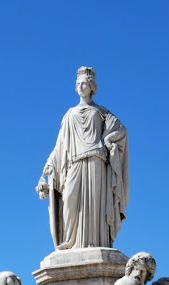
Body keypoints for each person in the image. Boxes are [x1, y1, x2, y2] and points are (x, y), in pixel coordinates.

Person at [36, 66, 129, 250]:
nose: (80, 86)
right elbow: (60, 145)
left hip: (96, 160)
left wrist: (108, 138)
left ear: (92, 86)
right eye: (78, 83)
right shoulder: (69, 114)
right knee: (70, 201)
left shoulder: (101, 112)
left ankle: (96, 241)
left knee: (94, 205)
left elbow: (121, 130)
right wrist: (46, 168)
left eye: (84, 83)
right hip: (74, 162)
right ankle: (71, 240)